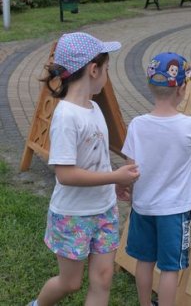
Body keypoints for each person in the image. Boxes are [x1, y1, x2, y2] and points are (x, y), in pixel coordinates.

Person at [118, 52, 191, 306]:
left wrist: (127, 191)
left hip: (143, 208)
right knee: (170, 268)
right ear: (182, 89)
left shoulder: (137, 124)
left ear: (151, 86)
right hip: (174, 211)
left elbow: (131, 167)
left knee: (144, 260)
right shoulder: (190, 125)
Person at [27, 32, 140, 306]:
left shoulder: (94, 108)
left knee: (103, 280)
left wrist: (111, 183)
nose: (107, 77)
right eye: (107, 70)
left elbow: (95, 159)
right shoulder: (66, 117)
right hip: (73, 216)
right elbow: (65, 175)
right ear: (93, 69)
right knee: (71, 282)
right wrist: (114, 176)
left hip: (104, 210)